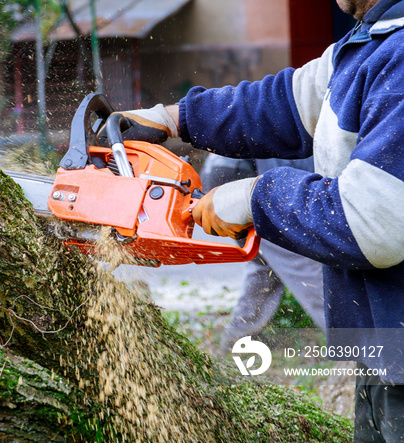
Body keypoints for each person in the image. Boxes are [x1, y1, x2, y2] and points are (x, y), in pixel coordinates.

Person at [114, 0, 404, 440]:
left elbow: (373, 224)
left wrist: (256, 198)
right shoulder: (370, 40)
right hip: (383, 350)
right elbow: (285, 101)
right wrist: (174, 119)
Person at [199, 155, 327, 351]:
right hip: (239, 181)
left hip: (223, 176)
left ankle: (236, 339)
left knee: (263, 263)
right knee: (301, 264)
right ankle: (353, 346)